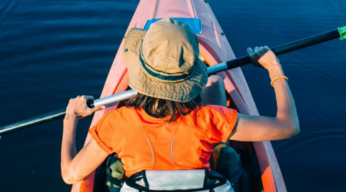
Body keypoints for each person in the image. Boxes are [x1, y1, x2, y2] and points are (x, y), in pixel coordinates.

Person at [60, 18, 299, 187]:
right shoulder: (212, 118)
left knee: (113, 165)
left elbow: (70, 175)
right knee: (215, 84)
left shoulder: (116, 123)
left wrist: (71, 118)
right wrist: (273, 68)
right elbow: (288, 126)